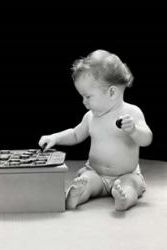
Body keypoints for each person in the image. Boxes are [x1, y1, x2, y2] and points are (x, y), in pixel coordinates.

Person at [39, 50, 153, 211]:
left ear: (112, 92)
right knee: (86, 180)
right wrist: (55, 137)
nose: (83, 101)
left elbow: (147, 138)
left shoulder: (132, 114)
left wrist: (134, 130)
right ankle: (77, 195)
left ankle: (124, 199)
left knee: (131, 185)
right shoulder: (91, 116)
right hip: (96, 173)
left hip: (126, 174)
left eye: (88, 96)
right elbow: (75, 134)